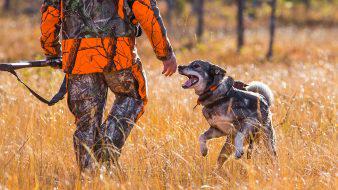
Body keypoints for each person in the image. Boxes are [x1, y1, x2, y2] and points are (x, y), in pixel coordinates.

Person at [40, 0, 177, 172]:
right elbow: (146, 11)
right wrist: (165, 54)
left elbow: (50, 13)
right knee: (134, 98)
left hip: (79, 60)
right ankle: (107, 146)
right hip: (119, 58)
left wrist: (51, 52)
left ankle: (89, 177)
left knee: (86, 123)